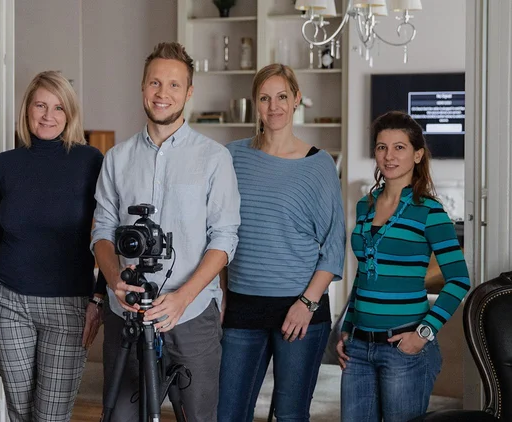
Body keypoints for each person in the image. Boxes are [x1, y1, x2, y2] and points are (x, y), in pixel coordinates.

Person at [92, 42, 241, 421]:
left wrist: (183, 298)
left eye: (174, 85)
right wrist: (115, 280)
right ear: (143, 87)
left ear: (189, 92)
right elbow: (102, 232)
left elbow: (225, 238)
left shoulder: (214, 158)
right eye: (155, 83)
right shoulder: (117, 158)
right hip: (126, 311)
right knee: (121, 417)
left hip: (191, 315)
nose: (163, 93)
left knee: (198, 417)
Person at [218, 63, 345, 422]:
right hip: (242, 306)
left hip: (300, 309)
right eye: (264, 98)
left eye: (282, 97)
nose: (274, 106)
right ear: (255, 103)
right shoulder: (230, 156)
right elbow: (220, 232)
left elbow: (334, 244)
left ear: (296, 100)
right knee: (227, 414)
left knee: (290, 415)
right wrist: (222, 293)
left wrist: (306, 303)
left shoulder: (319, 164)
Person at [0, 70, 104, 422]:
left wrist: (98, 297)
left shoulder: (91, 161)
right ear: (27, 109)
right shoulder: (5, 164)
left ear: (70, 114)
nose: (48, 115)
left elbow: (108, 233)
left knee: (50, 416)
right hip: (7, 302)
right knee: (19, 413)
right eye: (40, 105)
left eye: (58, 107)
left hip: (67, 306)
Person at [337, 111, 471, 422]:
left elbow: (459, 280)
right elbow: (365, 272)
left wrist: (423, 333)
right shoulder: (365, 205)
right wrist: (346, 327)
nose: (389, 156)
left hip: (403, 348)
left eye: (399, 147)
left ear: (417, 154)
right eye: (382, 147)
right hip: (358, 347)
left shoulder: (430, 211)